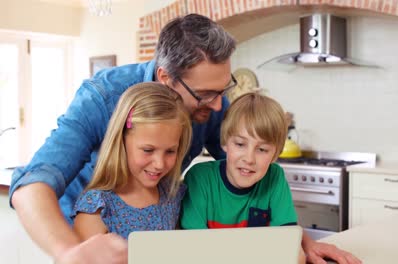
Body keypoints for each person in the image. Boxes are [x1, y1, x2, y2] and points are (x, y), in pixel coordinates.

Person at [9, 13, 236, 263]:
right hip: (84, 242)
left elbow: (239, 164)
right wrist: (71, 253)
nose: (218, 106)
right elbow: (31, 186)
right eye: (205, 94)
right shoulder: (102, 97)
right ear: (165, 78)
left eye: (222, 91)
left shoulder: (210, 101)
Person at [180, 93, 361, 264]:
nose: (249, 159)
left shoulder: (275, 177)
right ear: (224, 142)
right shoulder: (199, 179)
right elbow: (196, 251)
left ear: (275, 154)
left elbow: (290, 248)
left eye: (262, 149)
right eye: (240, 144)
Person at [73, 82, 191, 241]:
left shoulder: (174, 196)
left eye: (170, 151)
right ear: (121, 140)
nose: (159, 164)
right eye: (148, 150)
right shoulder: (97, 209)